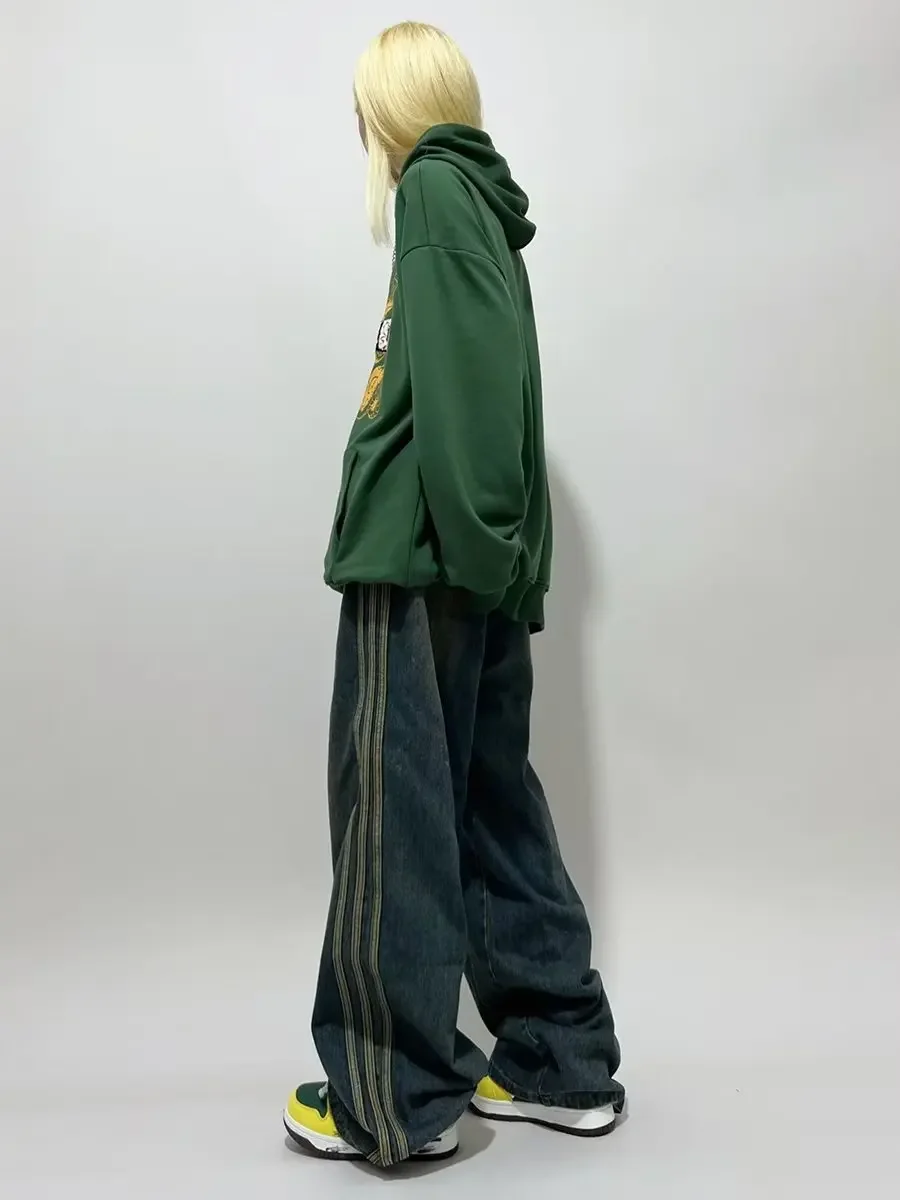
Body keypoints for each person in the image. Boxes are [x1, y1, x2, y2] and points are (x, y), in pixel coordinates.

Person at [283, 21, 625, 1168]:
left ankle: (393, 1094)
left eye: (362, 104)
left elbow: (472, 391)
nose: (358, 126)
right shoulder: (477, 201)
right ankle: (555, 1061)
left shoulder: (431, 189)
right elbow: (503, 379)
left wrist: (472, 553)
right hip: (474, 567)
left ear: (390, 105)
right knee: (489, 810)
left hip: (423, 564)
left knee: (396, 822)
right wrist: (502, 564)